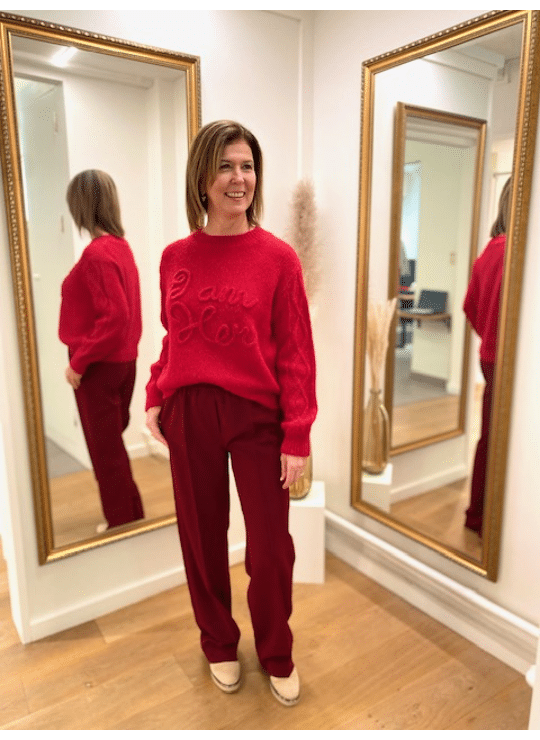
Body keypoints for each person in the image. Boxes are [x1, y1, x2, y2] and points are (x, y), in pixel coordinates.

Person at [145, 120, 317, 706]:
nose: (238, 178)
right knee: (201, 537)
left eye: (246, 166)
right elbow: (174, 336)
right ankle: (218, 641)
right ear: (203, 177)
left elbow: (296, 352)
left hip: (256, 415)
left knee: (269, 547)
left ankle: (276, 650)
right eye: (225, 166)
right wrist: (156, 391)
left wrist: (297, 434)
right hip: (189, 410)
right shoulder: (174, 257)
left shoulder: (278, 259)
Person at [59, 169, 144, 532]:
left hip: (99, 367)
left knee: (105, 453)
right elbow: (126, 315)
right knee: (112, 448)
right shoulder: (121, 247)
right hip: (123, 363)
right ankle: (131, 515)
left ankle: (120, 524)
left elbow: (115, 316)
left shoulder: (97, 254)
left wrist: (78, 363)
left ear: (80, 207)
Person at [463, 177, 511, 536]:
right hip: (507, 361)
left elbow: (471, 307)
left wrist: (488, 335)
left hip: (490, 357)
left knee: (488, 438)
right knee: (503, 442)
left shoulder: (490, 251)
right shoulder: (514, 250)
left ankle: (477, 514)